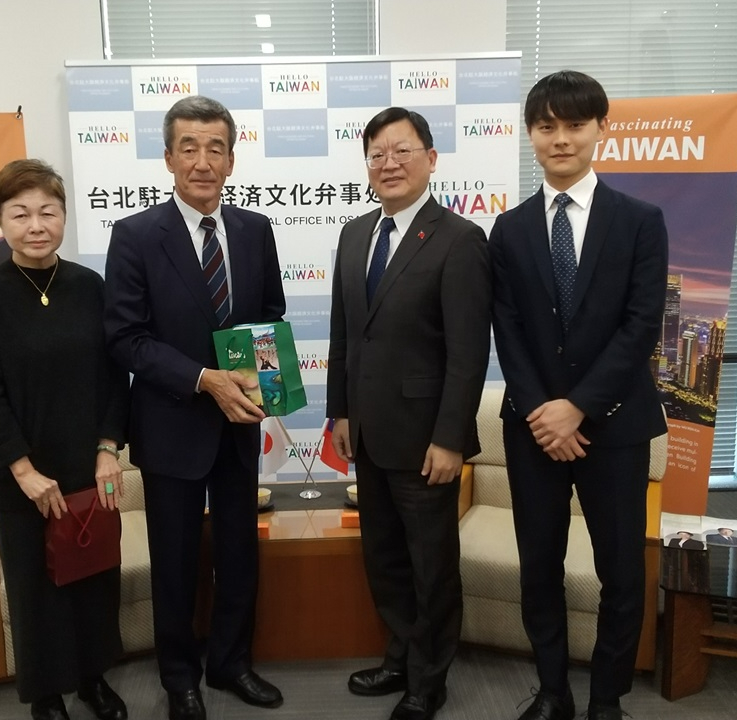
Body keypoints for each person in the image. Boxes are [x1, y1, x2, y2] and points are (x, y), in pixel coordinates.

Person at [488, 71, 669, 720]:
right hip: (534, 429)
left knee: (620, 571)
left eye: (574, 125)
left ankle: (606, 699)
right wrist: (545, 413)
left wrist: (579, 407)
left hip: (614, 426)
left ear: (601, 129)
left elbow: (640, 327)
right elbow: (506, 328)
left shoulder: (641, 222)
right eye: (547, 126)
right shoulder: (508, 229)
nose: (560, 138)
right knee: (540, 566)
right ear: (530, 134)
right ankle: (552, 691)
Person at [104, 95, 286, 720]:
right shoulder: (135, 236)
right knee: (175, 562)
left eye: (215, 148)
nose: (203, 161)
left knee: (238, 552)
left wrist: (264, 386)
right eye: (189, 147)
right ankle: (179, 677)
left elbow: (270, 317)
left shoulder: (255, 230)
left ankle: (232, 663)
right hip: (171, 424)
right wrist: (204, 379)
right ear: (168, 158)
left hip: (240, 425)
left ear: (231, 160)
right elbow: (126, 337)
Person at [326, 107, 492, 720]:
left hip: (426, 441)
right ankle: (399, 657)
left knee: (431, 565)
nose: (388, 163)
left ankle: (429, 679)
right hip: (369, 434)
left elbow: (468, 353)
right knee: (386, 558)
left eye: (402, 151)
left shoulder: (459, 239)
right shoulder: (354, 233)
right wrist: (341, 412)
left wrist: (451, 438)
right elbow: (346, 335)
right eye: (377, 154)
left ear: (431, 158)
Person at [0, 159, 129, 720]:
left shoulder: (89, 286)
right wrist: (24, 470)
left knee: (94, 578)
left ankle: (93, 680)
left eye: (48, 212)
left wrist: (108, 449)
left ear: (64, 216)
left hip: (88, 466)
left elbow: (115, 376)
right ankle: (46, 695)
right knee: (35, 588)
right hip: (22, 476)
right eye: (21, 214)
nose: (36, 225)